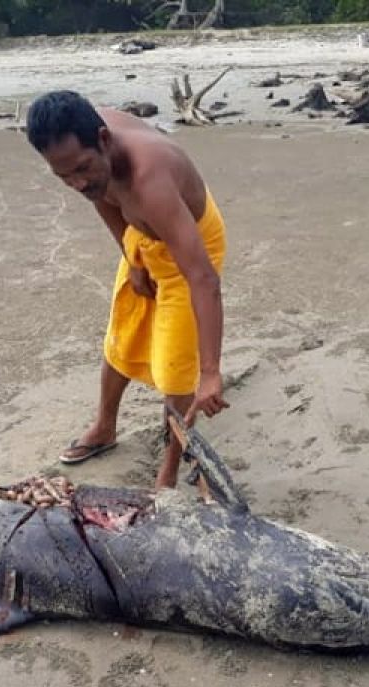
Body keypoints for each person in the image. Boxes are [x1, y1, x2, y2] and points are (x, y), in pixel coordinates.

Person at [25, 89, 230, 489]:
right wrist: (131, 256)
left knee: (175, 372)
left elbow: (203, 278)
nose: (76, 181)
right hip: (142, 236)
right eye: (63, 175)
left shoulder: (150, 180)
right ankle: (104, 427)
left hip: (186, 246)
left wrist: (210, 373)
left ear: (104, 140)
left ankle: (167, 473)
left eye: (82, 168)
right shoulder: (82, 147)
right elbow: (100, 196)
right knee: (123, 336)